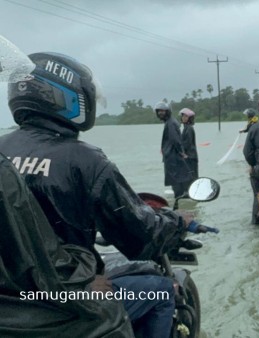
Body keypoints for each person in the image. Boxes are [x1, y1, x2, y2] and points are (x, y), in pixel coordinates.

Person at [0, 52, 194, 338]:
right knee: (161, 291)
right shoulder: (83, 159)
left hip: (11, 307)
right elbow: (141, 237)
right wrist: (177, 220)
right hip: (67, 306)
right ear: (69, 96)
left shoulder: (2, 149)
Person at [0, 153, 134, 337]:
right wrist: (78, 289)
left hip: (15, 300)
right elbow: (30, 257)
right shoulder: (87, 159)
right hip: (23, 306)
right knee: (111, 313)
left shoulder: (9, 147)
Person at [155, 101, 193, 198]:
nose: (160, 113)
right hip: (172, 156)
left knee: (176, 180)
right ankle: (181, 197)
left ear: (167, 111)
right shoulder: (170, 122)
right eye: (159, 111)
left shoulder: (171, 123)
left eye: (162, 111)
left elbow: (175, 139)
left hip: (173, 157)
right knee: (179, 179)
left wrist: (181, 152)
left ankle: (179, 198)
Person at [179, 108, 199, 180]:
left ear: (190, 118)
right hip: (187, 157)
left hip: (190, 157)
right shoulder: (185, 128)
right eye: (183, 116)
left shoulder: (189, 129)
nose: (183, 118)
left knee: (192, 178)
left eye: (186, 116)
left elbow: (187, 143)